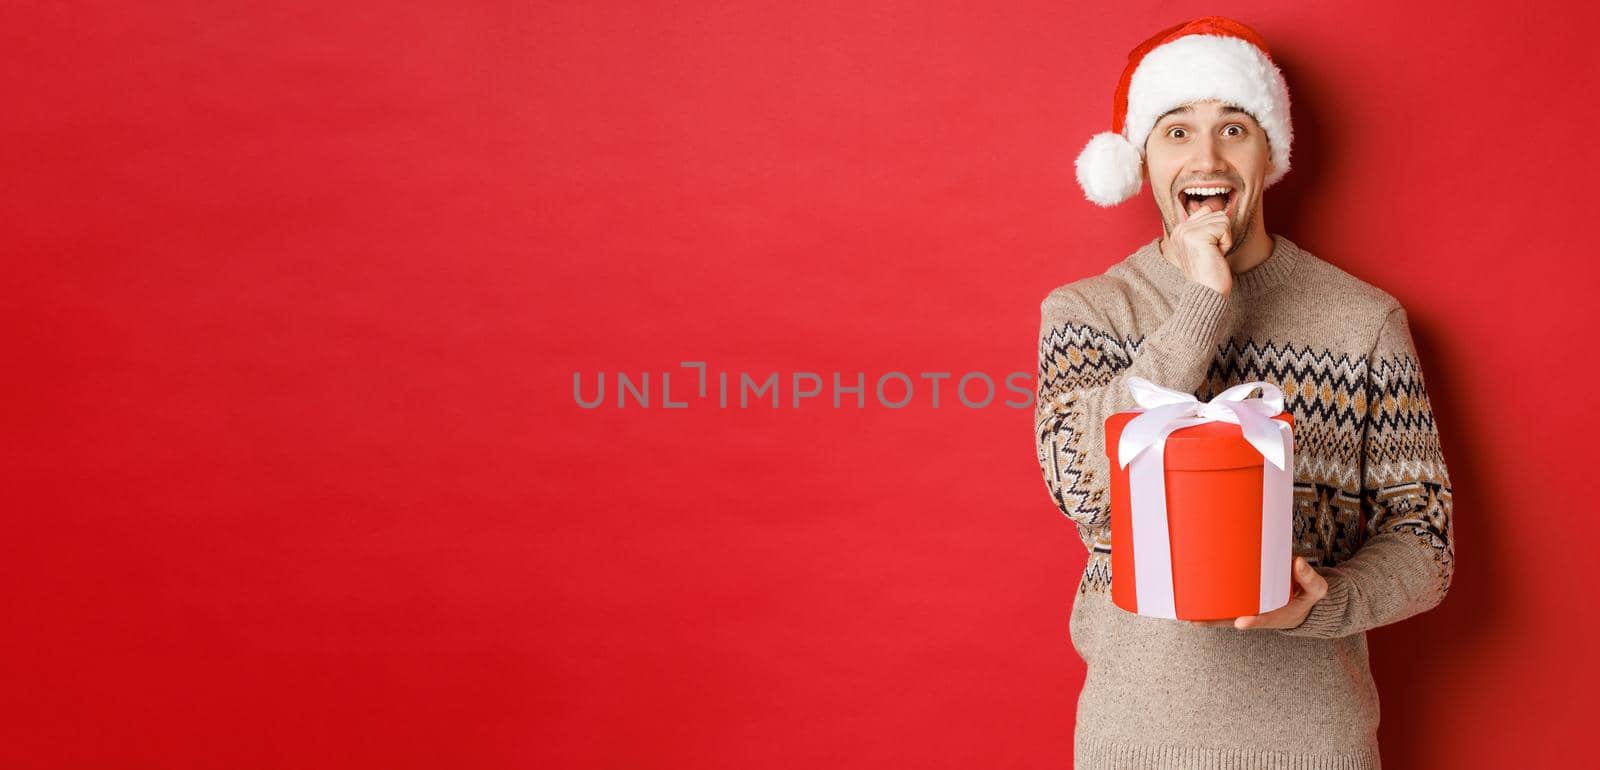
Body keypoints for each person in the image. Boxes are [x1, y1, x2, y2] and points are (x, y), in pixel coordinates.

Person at [1034, 16, 1455, 768]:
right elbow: (1079, 484)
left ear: (1271, 152)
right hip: (1134, 739)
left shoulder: (1363, 321)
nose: (1207, 157)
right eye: (1176, 131)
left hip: (1312, 741)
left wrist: (1322, 602)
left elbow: (1425, 542)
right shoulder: (1087, 313)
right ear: (1140, 159)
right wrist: (1201, 307)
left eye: (1234, 129)